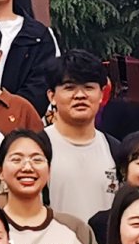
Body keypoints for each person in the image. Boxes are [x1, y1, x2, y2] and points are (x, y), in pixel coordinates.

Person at [45, 49, 119, 223]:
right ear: (52, 96)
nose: (80, 95)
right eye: (69, 88)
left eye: (88, 87)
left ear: (102, 94)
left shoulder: (115, 150)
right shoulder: (37, 149)